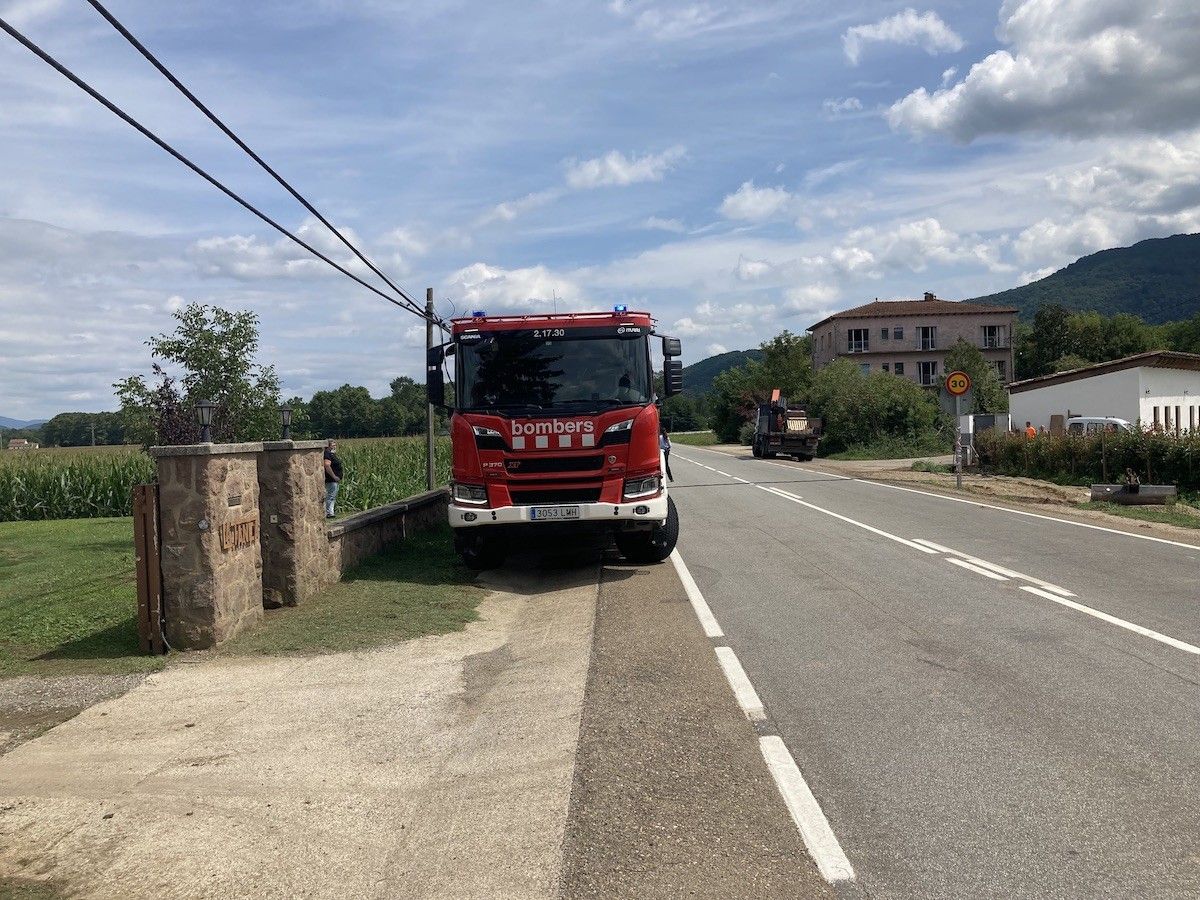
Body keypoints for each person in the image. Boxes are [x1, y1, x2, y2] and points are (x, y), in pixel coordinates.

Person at [323, 439, 343, 517]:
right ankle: (329, 513)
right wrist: (334, 476)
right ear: (328, 446)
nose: (335, 446)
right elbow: (327, 465)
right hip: (331, 479)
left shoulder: (331, 454)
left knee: (332, 495)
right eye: (333, 445)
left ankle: (330, 511)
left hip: (334, 480)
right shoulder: (327, 454)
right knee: (330, 496)